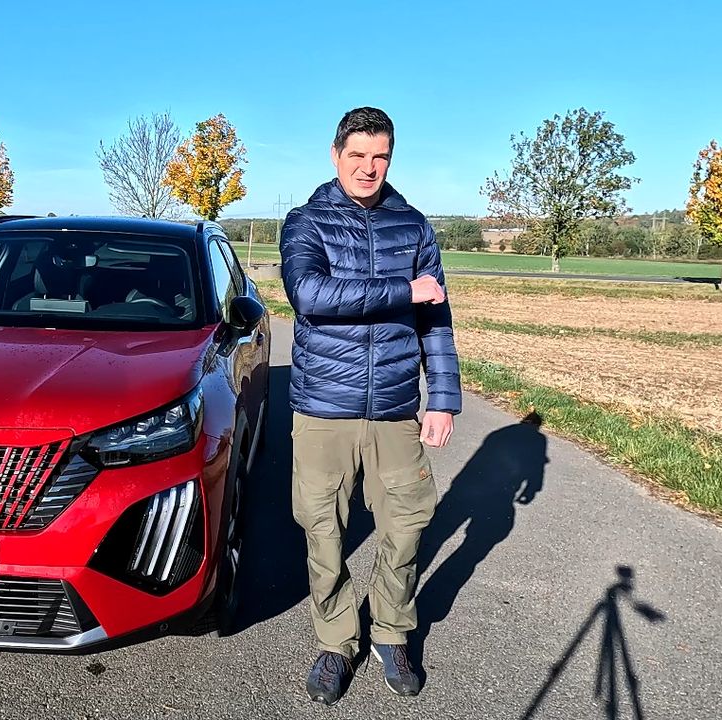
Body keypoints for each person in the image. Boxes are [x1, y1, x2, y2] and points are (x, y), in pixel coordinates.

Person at [279, 106, 462, 705]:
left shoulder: (412, 226)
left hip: (393, 408)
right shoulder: (306, 222)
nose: (368, 167)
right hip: (323, 409)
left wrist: (442, 398)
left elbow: (436, 318)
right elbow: (311, 295)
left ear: (391, 157)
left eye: (380, 156)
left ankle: (391, 631)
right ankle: (336, 641)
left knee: (408, 524)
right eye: (357, 155)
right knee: (324, 530)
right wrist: (401, 290)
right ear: (335, 156)